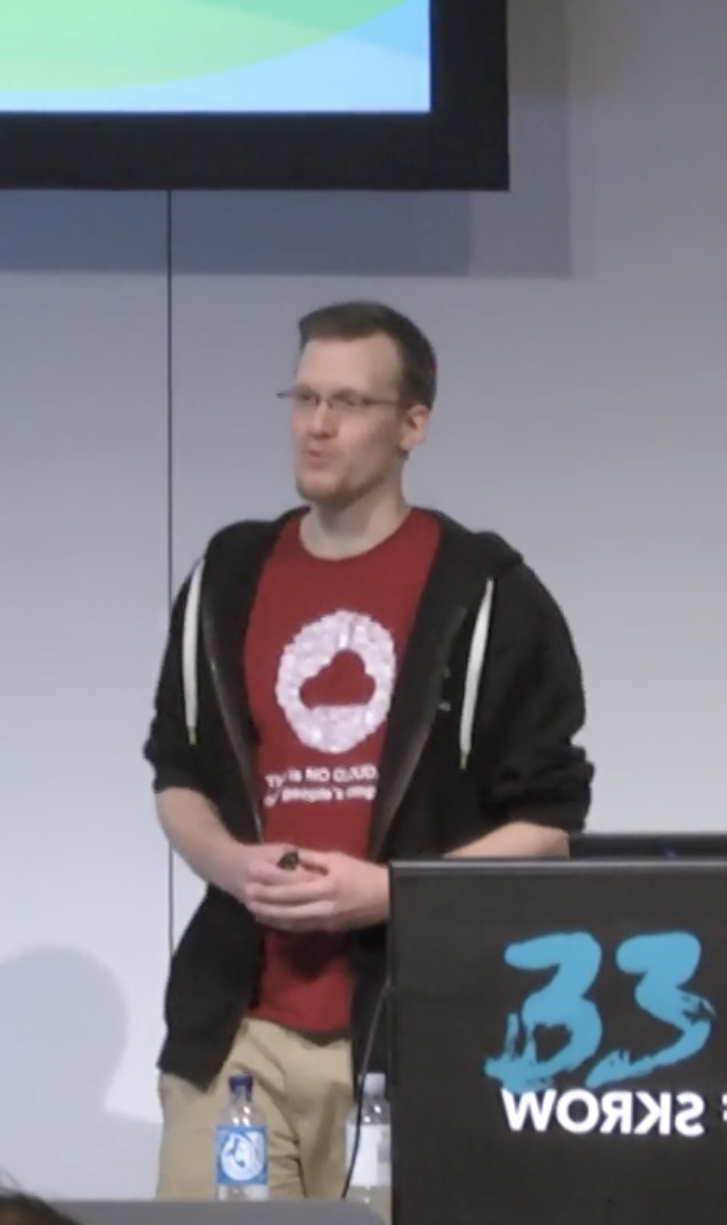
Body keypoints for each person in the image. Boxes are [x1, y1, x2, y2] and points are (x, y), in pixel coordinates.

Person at [143, 301, 594, 1202]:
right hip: (236, 1032)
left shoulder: (486, 593)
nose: (316, 425)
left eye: (348, 402)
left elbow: (548, 824)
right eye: (304, 397)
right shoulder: (227, 576)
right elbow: (177, 776)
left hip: (414, 1038)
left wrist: (393, 892)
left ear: (412, 425)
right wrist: (230, 863)